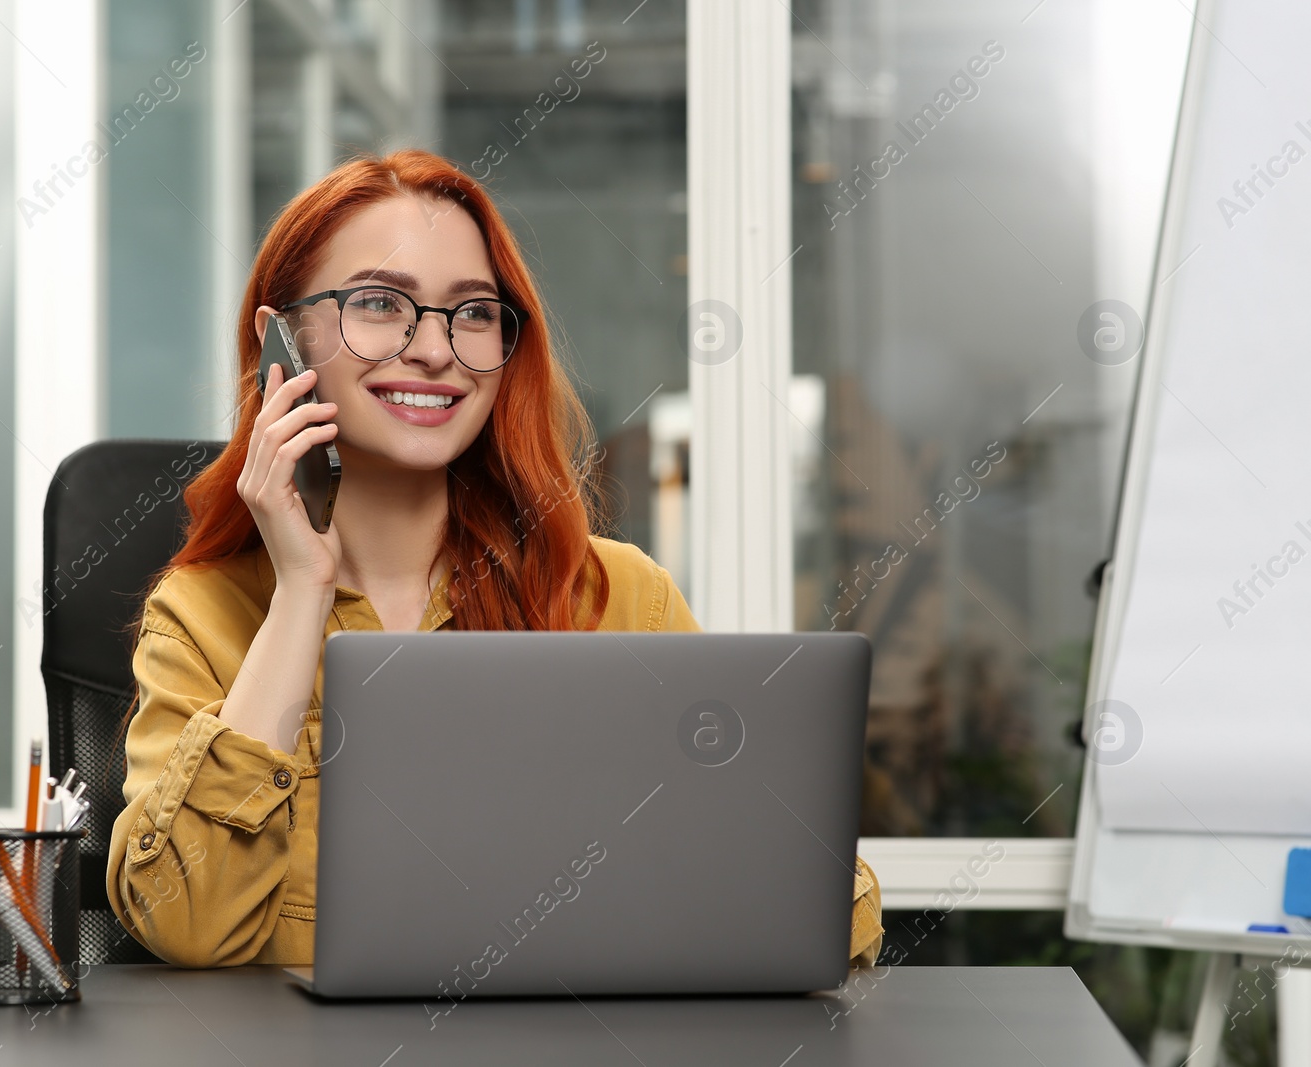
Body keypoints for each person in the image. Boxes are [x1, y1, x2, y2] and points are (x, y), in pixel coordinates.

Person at [106, 149, 884, 969]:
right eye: (380, 302)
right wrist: (303, 588)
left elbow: (831, 910)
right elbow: (183, 923)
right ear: (281, 347)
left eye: (473, 313)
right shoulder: (201, 615)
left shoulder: (617, 597)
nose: (437, 350)